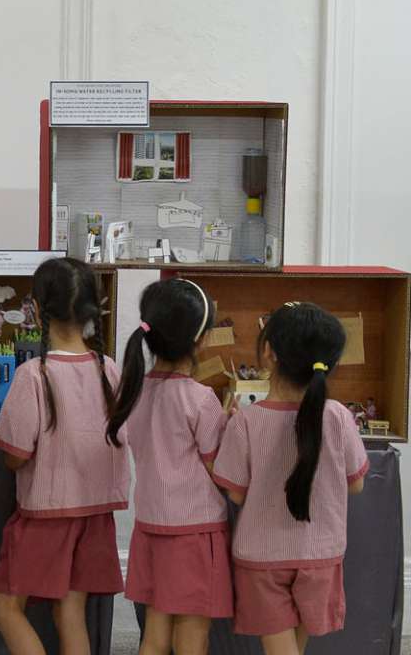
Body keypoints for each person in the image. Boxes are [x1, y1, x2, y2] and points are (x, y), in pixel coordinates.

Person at [0, 257, 127, 655]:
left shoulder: (34, 374)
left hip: (45, 515)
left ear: (37, 308)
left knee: (4, 606)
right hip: (96, 513)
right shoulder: (110, 369)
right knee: (71, 613)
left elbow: (14, 456)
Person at [214, 302, 367, 654]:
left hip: (262, 559)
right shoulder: (339, 417)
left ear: (268, 352)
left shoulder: (246, 422)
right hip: (320, 555)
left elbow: (235, 495)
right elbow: (356, 483)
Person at [106, 279, 232, 654]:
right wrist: (228, 424)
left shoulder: (135, 390)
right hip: (195, 533)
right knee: (193, 636)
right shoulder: (200, 398)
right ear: (202, 339)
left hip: (151, 527)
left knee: (155, 634)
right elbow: (219, 469)